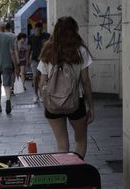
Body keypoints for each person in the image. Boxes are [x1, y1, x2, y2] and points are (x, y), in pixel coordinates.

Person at [38, 16, 94, 158]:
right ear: (74, 31)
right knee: (80, 141)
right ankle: (76, 173)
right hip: (76, 101)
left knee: (62, 146)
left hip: (53, 104)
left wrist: (46, 102)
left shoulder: (47, 50)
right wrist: (91, 106)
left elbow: (42, 82)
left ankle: (65, 174)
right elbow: (86, 81)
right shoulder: (80, 50)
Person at [28, 22, 50, 103]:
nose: (39, 32)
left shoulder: (46, 36)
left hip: (44, 60)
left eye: (40, 30)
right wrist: (27, 59)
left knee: (42, 77)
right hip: (34, 60)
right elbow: (29, 49)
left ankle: (41, 95)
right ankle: (35, 94)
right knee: (35, 76)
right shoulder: (31, 37)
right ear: (34, 29)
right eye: (37, 30)